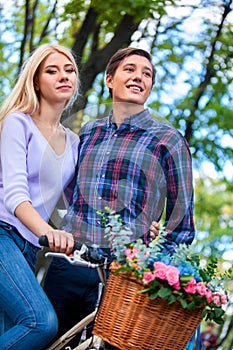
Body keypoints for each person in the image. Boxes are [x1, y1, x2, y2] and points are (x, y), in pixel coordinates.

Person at [43, 47, 195, 349]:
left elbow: (182, 227)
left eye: (147, 74)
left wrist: (145, 265)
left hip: (123, 278)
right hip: (68, 262)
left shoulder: (170, 141)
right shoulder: (87, 132)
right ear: (110, 80)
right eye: (130, 69)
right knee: (47, 341)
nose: (139, 76)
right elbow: (64, 194)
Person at [0, 44, 79, 350]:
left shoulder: (73, 143)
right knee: (40, 322)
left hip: (28, 249)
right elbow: (15, 194)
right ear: (35, 81)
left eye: (69, 70)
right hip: (3, 234)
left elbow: (80, 203)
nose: (63, 76)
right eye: (52, 70)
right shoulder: (17, 123)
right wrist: (49, 232)